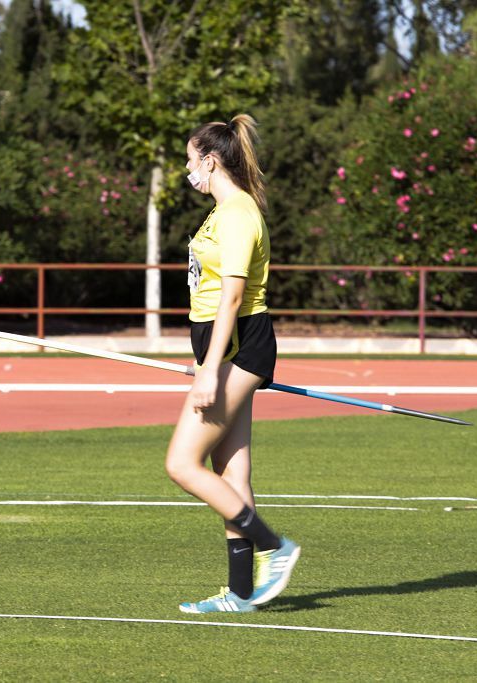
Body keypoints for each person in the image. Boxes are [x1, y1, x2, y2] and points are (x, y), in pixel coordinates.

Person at [167, 114, 300, 614]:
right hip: (222, 349)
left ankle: (275, 547)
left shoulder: (239, 212)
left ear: (210, 159)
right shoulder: (220, 212)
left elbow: (233, 297)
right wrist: (201, 359)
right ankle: (242, 594)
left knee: (181, 463)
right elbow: (207, 295)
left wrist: (210, 368)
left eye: (189, 159)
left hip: (238, 349)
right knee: (231, 476)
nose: (187, 170)